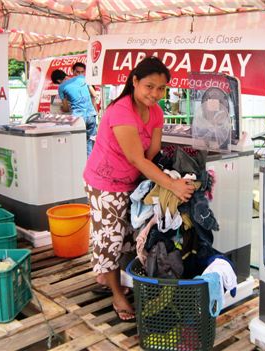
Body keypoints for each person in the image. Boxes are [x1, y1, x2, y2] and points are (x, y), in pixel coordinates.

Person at [82, 56, 195, 322]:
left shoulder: (156, 111)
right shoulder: (120, 111)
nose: (155, 94)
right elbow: (136, 157)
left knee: (134, 236)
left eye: (161, 88)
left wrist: (167, 177)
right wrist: (173, 186)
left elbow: (152, 152)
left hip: (133, 182)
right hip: (105, 183)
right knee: (109, 238)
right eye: (149, 86)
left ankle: (109, 276)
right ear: (134, 82)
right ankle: (116, 294)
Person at [50, 69, 97, 157]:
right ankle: (90, 162)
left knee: (78, 142)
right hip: (91, 115)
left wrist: (61, 108)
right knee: (90, 141)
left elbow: (66, 108)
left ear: (58, 81)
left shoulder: (61, 87)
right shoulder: (82, 78)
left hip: (78, 118)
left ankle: (81, 165)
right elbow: (94, 94)